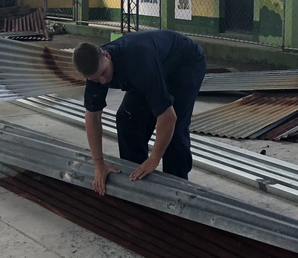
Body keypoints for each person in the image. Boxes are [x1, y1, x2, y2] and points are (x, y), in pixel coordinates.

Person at [73, 31, 207, 195]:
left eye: (103, 73)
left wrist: (154, 159)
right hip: (153, 66)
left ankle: (177, 189)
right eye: (96, 79)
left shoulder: (137, 59)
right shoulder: (95, 71)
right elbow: (92, 117)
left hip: (184, 64)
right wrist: (99, 164)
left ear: (106, 55)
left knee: (175, 132)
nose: (102, 81)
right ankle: (135, 178)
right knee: (127, 118)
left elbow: (168, 117)